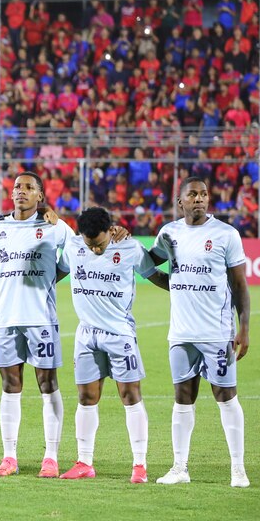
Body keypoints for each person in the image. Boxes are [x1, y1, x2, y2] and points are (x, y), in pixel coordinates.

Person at [149, 177, 251, 488]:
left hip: (217, 333)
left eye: (204, 194)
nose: (199, 199)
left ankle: (238, 469)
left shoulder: (225, 234)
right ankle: (180, 468)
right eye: (192, 194)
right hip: (180, 334)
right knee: (182, 399)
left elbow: (239, 286)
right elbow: (149, 266)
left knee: (225, 396)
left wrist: (244, 328)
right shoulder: (169, 234)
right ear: (179, 201)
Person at [57, 207, 169, 483]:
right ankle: (84, 461)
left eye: (100, 243)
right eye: (90, 244)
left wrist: (185, 287)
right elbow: (55, 273)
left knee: (130, 396)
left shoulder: (129, 247)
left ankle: (139, 465)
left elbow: (153, 274)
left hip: (120, 335)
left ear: (111, 230)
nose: (95, 249)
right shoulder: (73, 247)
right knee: (86, 398)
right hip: (86, 336)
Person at [0, 171, 77, 478]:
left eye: (29, 187)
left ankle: (51, 457)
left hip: (41, 320)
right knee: (10, 387)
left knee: (48, 385)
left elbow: (77, 255)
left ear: (40, 196)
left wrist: (52, 276)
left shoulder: (54, 227)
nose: (21, 191)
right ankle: (9, 457)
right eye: (17, 187)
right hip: (6, 320)